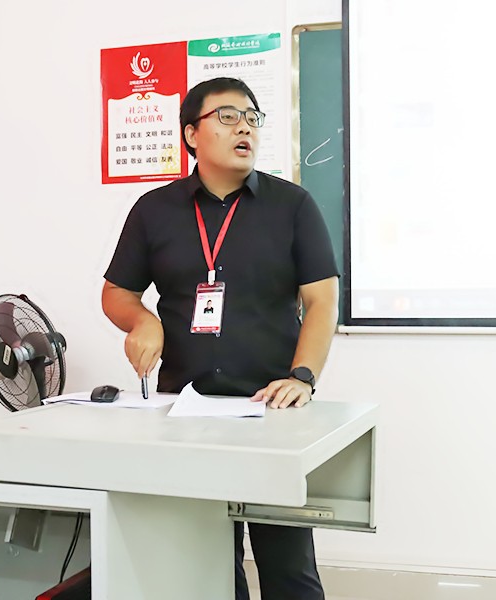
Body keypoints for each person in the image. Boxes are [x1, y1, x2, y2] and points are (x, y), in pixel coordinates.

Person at [101, 77, 339, 600]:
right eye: (228, 116)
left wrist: (302, 377)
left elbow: (322, 301)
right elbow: (117, 292)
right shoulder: (154, 210)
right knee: (205, 565)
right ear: (192, 134)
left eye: (252, 118)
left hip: (270, 412)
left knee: (288, 569)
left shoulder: (292, 205)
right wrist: (143, 321)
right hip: (185, 414)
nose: (244, 128)